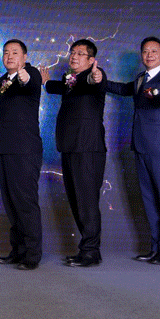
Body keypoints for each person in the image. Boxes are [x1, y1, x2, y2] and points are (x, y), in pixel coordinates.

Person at [101, 36, 160, 265]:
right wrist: (101, 80)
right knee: (149, 200)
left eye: (154, 51)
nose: (149, 55)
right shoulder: (140, 78)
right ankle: (155, 248)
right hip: (140, 146)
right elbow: (123, 89)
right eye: (146, 51)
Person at [0, 39, 43, 270]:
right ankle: (18, 251)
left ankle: (32, 255)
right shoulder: (4, 80)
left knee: (25, 203)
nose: (9, 56)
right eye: (6, 52)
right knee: (11, 203)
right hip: (5, 148)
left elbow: (28, 82)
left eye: (15, 53)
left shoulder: (31, 74)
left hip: (24, 150)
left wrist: (24, 77)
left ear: (25, 57)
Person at [44, 38, 108, 267]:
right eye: (72, 52)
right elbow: (58, 87)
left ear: (91, 60)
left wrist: (96, 75)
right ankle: (88, 249)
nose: (74, 56)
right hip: (69, 146)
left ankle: (90, 252)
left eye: (80, 53)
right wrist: (46, 82)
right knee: (76, 200)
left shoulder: (94, 77)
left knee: (87, 201)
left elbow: (94, 80)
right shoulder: (69, 79)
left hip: (87, 147)